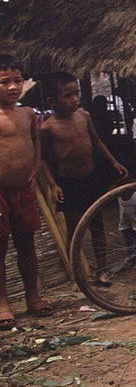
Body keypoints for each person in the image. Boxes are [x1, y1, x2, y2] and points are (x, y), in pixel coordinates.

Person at [38, 71, 128, 286]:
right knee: (74, 228)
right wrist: (53, 185)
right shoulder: (48, 127)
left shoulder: (84, 116)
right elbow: (42, 160)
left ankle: (102, 270)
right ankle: (76, 274)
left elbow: (97, 142)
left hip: (91, 176)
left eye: (76, 93)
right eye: (68, 95)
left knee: (98, 226)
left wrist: (113, 162)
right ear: (52, 100)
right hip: (69, 181)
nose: (75, 99)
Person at [0, 54, 56, 324]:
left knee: (27, 243)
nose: (12, 87)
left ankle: (32, 296)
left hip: (24, 188)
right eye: (3, 82)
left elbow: (36, 144)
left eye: (17, 81)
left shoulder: (28, 114)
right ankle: (2, 303)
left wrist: (35, 169)